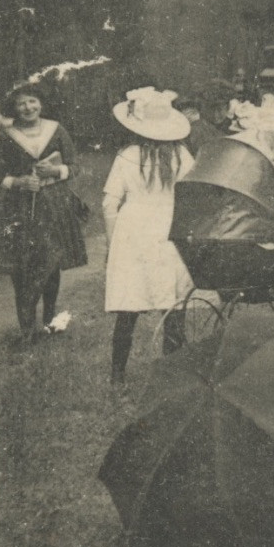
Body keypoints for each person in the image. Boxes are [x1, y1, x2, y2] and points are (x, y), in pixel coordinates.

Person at [101, 86, 196, 384]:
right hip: (170, 229)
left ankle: (118, 374)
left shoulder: (128, 155)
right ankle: (172, 371)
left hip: (134, 231)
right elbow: (191, 197)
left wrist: (113, 241)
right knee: (174, 305)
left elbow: (109, 203)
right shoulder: (181, 155)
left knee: (129, 303)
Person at [0, 82, 88, 343]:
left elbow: (75, 165)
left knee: (51, 263)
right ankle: (26, 331)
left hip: (54, 206)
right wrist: (19, 182)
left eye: (32, 101)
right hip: (19, 209)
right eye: (21, 103)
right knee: (22, 268)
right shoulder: (7, 137)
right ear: (14, 108)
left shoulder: (56, 130)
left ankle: (48, 322)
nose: (28, 107)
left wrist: (57, 171)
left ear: (40, 103)